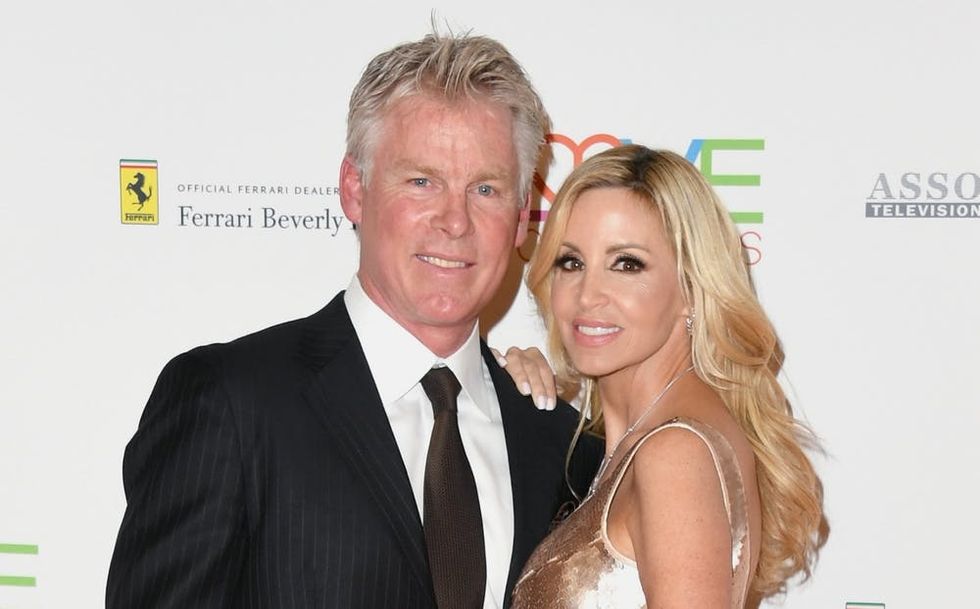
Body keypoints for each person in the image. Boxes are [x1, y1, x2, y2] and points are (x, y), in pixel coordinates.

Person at [106, 31, 600, 609]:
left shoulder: (561, 445)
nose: (455, 221)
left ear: (520, 219)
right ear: (354, 190)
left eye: (486, 189)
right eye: (422, 182)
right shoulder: (231, 404)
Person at [504, 145, 827, 609]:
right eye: (571, 262)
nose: (588, 295)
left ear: (692, 287)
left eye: (626, 264)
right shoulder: (646, 437)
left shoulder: (674, 453)